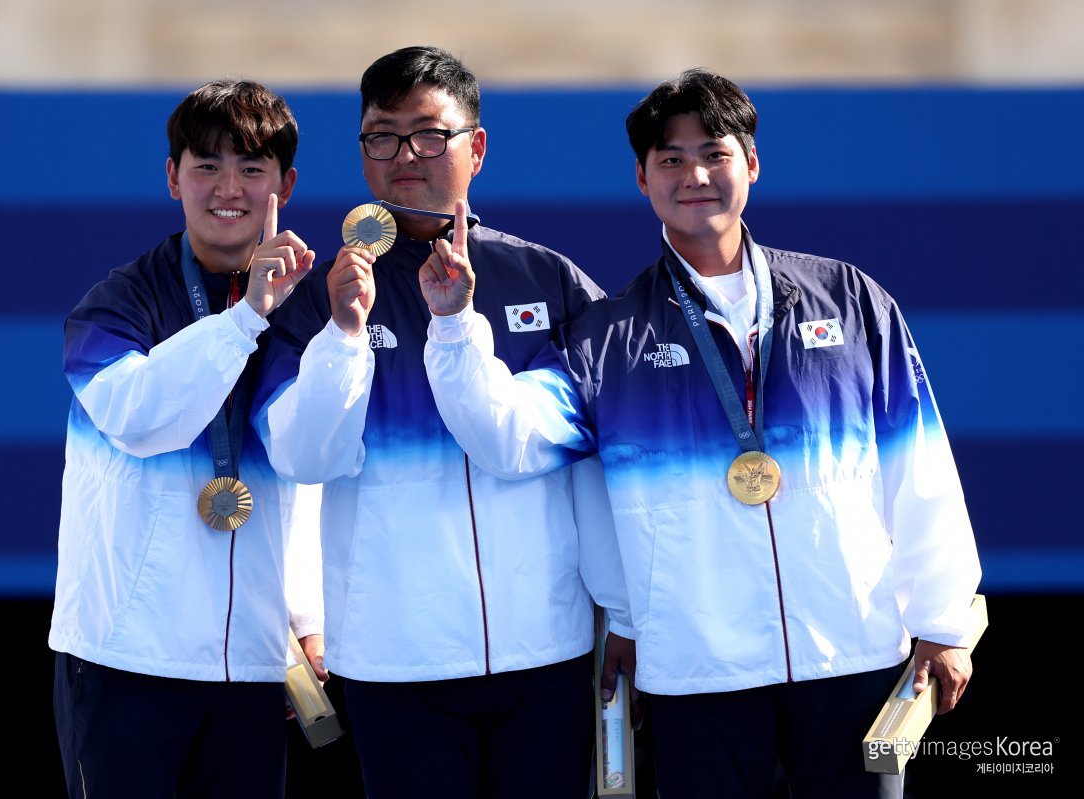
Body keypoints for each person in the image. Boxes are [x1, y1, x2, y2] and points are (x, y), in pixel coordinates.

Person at [420, 68, 982, 798]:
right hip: (697, 669)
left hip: (853, 654)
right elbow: (507, 441)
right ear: (643, 179)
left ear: (750, 162)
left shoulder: (850, 301)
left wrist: (942, 619)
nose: (695, 175)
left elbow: (920, 465)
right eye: (671, 159)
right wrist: (455, 322)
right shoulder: (606, 338)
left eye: (714, 153)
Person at [254, 45, 634, 798]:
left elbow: (562, 453)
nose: (405, 155)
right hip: (396, 662)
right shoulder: (320, 299)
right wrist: (342, 336)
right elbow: (303, 457)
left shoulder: (549, 282)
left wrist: (621, 609)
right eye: (383, 136)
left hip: (544, 653)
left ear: (477, 147)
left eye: (430, 133)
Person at [48, 78, 321, 799]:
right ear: (173, 177)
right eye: (206, 165)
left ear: (284, 185)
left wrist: (309, 615)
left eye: (252, 168)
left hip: (255, 666)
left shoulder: (307, 311)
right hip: (127, 658)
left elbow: (309, 465)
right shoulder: (117, 303)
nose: (227, 187)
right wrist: (243, 319)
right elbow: (138, 421)